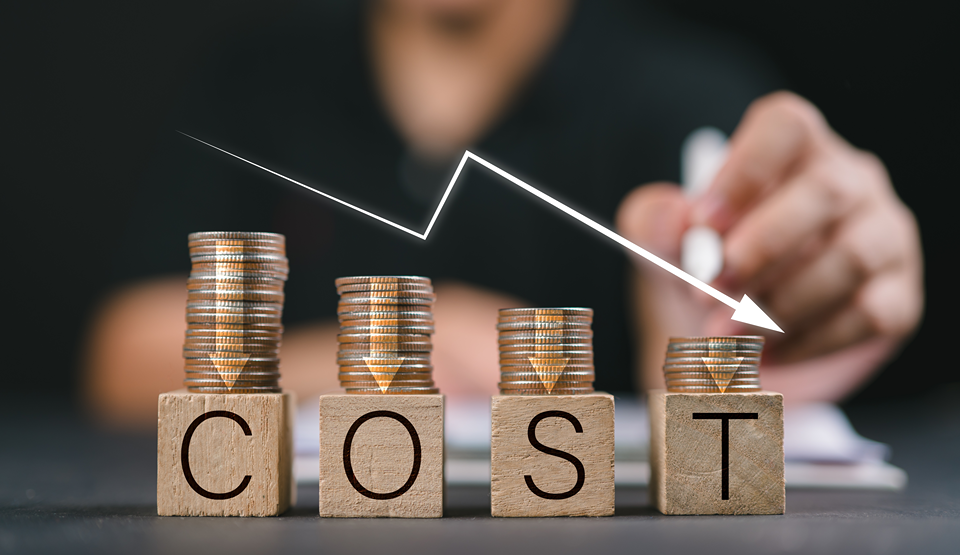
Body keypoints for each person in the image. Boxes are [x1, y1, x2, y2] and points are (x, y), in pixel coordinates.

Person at [82, 0, 923, 426]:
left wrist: (795, 298)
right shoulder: (254, 82)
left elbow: (737, 335)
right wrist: (387, 350)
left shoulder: (687, 93)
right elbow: (121, 355)